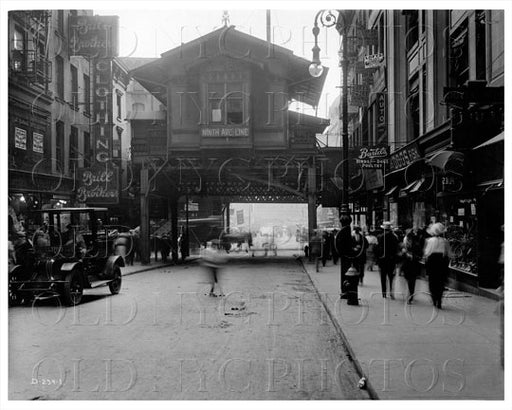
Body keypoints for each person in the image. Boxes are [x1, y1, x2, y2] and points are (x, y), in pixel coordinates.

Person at [423, 222, 450, 309]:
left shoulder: (429, 241)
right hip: (441, 263)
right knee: (441, 282)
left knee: (432, 282)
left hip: (432, 262)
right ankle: (439, 299)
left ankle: (434, 298)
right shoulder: (445, 241)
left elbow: (427, 253)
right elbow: (448, 253)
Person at [375, 221, 399, 299]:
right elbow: (396, 249)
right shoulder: (394, 237)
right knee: (391, 277)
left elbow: (377, 249)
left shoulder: (380, 237)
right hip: (391, 260)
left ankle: (384, 293)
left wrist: (378, 259)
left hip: (383, 260)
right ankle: (391, 292)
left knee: (383, 277)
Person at [401, 227, 424, 304]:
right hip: (414, 263)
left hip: (408, 263)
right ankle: (411, 294)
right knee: (412, 280)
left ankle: (410, 294)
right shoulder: (416, 243)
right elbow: (420, 253)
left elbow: (402, 253)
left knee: (409, 279)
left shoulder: (405, 243)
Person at [335, 215, 354, 298]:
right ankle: (346, 291)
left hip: (344, 256)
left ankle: (345, 290)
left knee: (345, 273)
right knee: (347, 274)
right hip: (347, 256)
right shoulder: (346, 231)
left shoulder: (342, 232)